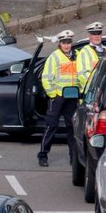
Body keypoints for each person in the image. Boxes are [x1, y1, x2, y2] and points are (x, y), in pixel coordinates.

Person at [37, 30, 86, 168]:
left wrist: (80, 93)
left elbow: (80, 76)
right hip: (58, 97)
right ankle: (43, 155)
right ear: (59, 43)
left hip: (72, 97)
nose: (66, 45)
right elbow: (46, 78)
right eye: (64, 43)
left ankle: (73, 157)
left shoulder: (76, 56)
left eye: (69, 42)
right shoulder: (55, 57)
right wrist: (53, 94)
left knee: (72, 128)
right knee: (51, 126)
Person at [76, 21, 106, 88]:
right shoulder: (84, 52)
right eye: (94, 34)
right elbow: (82, 75)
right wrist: (97, 84)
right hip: (92, 91)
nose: (97, 36)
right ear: (89, 36)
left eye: (99, 33)